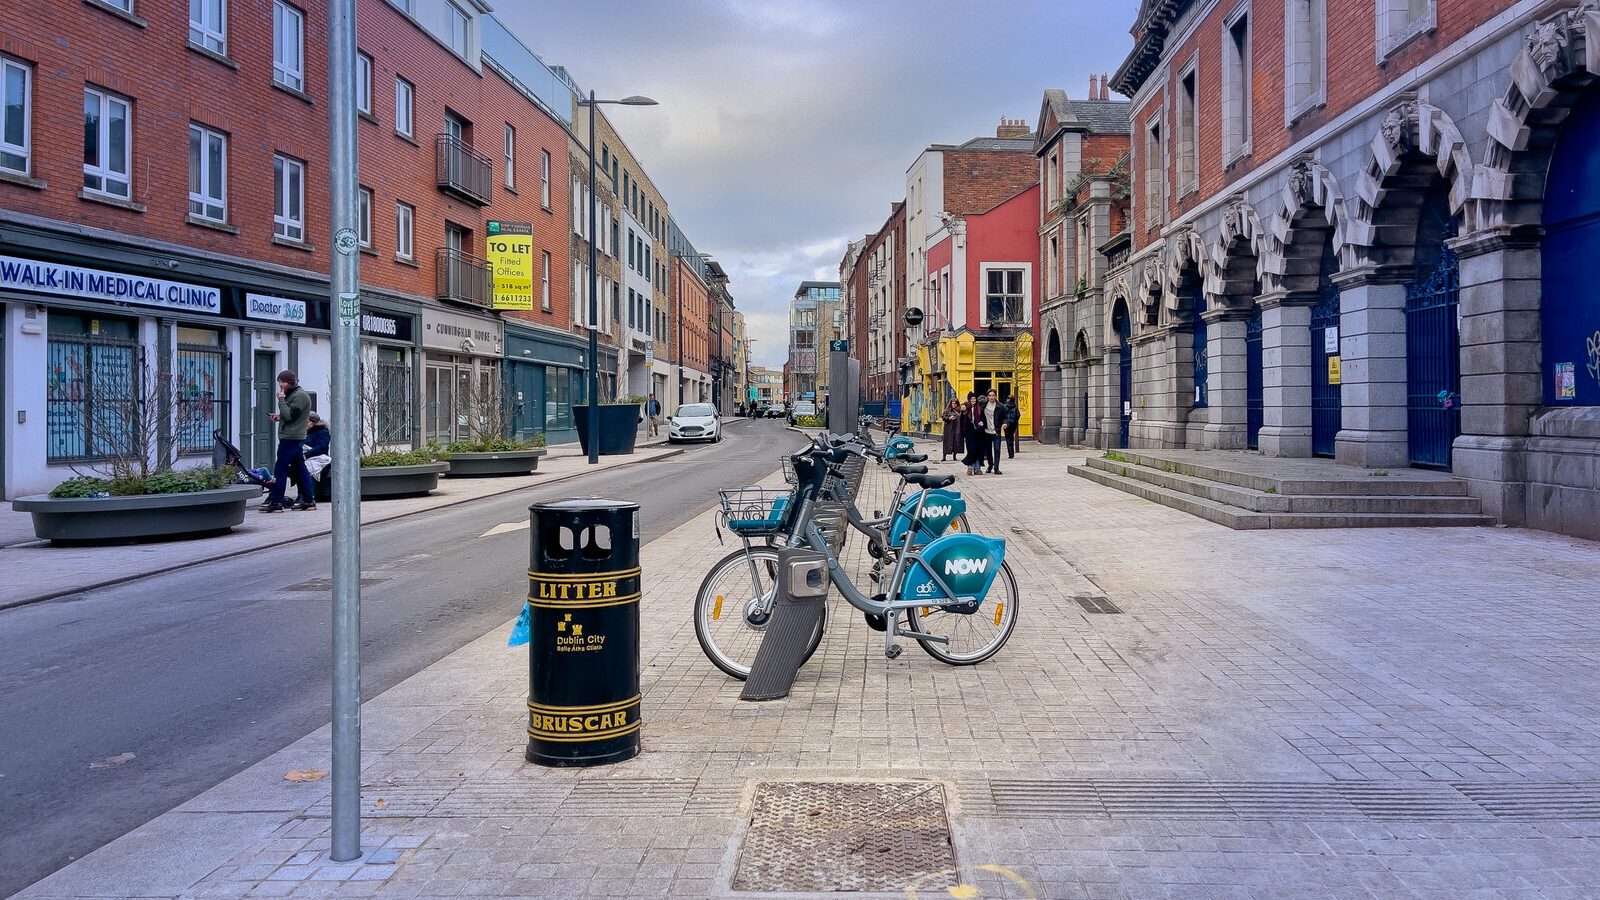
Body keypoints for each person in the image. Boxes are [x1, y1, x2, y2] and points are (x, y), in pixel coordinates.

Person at [262, 370, 314, 513]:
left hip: (291, 437)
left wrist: (281, 400)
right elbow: (291, 415)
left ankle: (277, 501)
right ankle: (309, 500)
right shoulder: (296, 394)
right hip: (294, 436)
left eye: (282, 382)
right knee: (300, 468)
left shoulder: (299, 396)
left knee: (281, 468)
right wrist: (279, 417)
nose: (280, 384)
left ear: (290, 383)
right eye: (279, 381)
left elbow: (290, 415)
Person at [294, 412, 331, 508]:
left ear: (313, 422)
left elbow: (321, 448)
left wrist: (306, 455)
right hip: (305, 458)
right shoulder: (305, 432)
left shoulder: (323, 432)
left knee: (308, 469)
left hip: (320, 460)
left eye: (307, 421)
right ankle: (301, 494)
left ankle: (307, 496)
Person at [961, 392, 987, 475]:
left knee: (979, 450)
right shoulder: (965, 409)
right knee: (972, 450)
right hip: (969, 432)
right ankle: (970, 467)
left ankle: (977, 468)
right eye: (971, 399)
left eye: (974, 399)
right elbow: (961, 421)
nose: (973, 400)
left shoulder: (980, 408)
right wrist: (963, 432)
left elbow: (984, 419)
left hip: (979, 432)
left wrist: (982, 423)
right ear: (969, 399)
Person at [984, 388, 1003, 474]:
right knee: (988, 450)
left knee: (997, 449)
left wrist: (1005, 423)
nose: (992, 397)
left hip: (996, 431)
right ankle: (990, 465)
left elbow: (1006, 416)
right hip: (986, 431)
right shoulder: (983, 405)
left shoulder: (1000, 406)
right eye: (990, 396)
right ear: (987, 397)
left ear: (995, 396)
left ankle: (996, 468)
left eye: (993, 395)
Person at [1001, 394, 1021, 459]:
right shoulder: (1015, 406)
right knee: (1011, 437)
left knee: (1007, 438)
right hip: (1013, 424)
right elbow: (1018, 415)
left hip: (1006, 424)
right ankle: (1012, 452)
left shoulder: (1004, 406)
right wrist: (1015, 421)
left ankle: (1010, 452)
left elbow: (1002, 415)